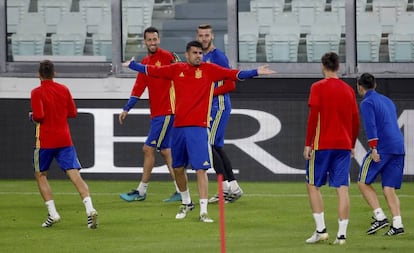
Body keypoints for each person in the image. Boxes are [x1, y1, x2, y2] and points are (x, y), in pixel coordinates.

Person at [123, 40, 274, 222]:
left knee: (201, 169)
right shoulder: (176, 69)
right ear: (187, 54)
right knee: (178, 168)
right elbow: (152, 71)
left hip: (199, 127)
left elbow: (234, 75)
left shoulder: (209, 70)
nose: (198, 56)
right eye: (194, 53)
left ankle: (203, 212)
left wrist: (256, 72)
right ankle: (187, 202)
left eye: (200, 53)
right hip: (178, 127)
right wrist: (132, 65)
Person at [30, 60, 98, 229]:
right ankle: (90, 209)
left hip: (45, 140)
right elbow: (72, 112)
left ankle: (53, 214)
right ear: (54, 73)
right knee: (74, 174)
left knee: (41, 174)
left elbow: (39, 116)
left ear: (39, 74)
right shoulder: (63, 89)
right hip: (64, 139)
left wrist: (32, 116)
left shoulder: (36, 92)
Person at [119, 27, 182, 203]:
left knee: (148, 149)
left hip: (167, 112)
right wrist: (127, 108)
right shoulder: (146, 62)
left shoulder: (169, 57)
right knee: (166, 151)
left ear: (159, 40)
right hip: (158, 113)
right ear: (145, 42)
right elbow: (139, 87)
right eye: (149, 40)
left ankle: (141, 191)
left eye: (155, 39)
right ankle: (180, 190)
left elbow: (182, 75)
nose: (153, 43)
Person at [303, 52, 359, 245]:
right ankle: (341, 235)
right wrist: (351, 144)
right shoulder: (348, 90)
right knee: (342, 188)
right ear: (339, 67)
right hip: (343, 145)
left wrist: (308, 143)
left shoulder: (317, 87)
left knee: (312, 185)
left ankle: (321, 230)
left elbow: (313, 117)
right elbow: (355, 120)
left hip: (322, 144)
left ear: (323, 66)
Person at [196, 24, 243, 203]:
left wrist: (209, 94)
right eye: (201, 35)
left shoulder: (218, 57)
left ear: (212, 36)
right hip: (210, 108)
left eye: (206, 35)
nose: (204, 39)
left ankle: (226, 188)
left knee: (208, 144)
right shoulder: (200, 57)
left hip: (219, 106)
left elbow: (231, 84)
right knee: (215, 146)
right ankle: (232, 186)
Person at [356, 73, 405, 236]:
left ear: (360, 87)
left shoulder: (367, 102)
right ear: (375, 85)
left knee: (362, 182)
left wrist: (374, 148)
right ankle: (397, 224)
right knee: (389, 188)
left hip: (383, 146)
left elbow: (371, 126)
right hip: (398, 146)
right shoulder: (387, 101)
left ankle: (380, 217)